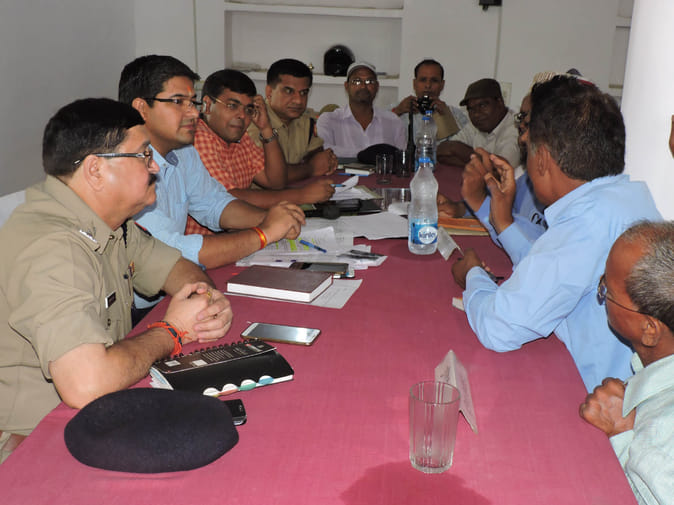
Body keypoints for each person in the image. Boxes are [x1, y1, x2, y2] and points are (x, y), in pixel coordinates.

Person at [0, 98, 233, 462]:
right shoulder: (53, 248)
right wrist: (173, 331)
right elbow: (86, 383)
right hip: (32, 443)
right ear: (95, 170)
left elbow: (175, 268)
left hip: (96, 416)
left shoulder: (110, 223)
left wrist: (202, 302)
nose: (154, 166)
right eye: (143, 155)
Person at [451, 75, 661, 392]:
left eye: (528, 149)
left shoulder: (587, 222)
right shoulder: (625, 196)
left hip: (600, 398)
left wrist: (473, 276)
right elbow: (550, 266)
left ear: (543, 160)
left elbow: (499, 327)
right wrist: (505, 226)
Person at [118, 55, 305, 311]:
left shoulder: (183, 151)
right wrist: (264, 233)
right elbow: (172, 253)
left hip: (176, 291)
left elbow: (214, 204)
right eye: (178, 102)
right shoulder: (124, 167)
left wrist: (270, 218)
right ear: (141, 108)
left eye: (192, 102)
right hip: (135, 310)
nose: (194, 112)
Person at [580, 221, 674, 505]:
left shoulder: (660, 433)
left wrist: (620, 433)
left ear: (649, 330)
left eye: (607, 291)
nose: (602, 291)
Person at [187, 69, 334, 234]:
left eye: (248, 109)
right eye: (232, 106)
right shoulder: (197, 136)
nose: (242, 116)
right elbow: (229, 199)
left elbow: (275, 182)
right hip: (202, 242)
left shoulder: (240, 138)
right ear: (207, 105)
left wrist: (266, 128)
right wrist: (301, 195)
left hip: (234, 234)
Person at [247, 58, 338, 178]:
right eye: (289, 91)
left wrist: (324, 161)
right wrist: (310, 168)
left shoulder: (305, 119)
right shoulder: (253, 121)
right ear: (269, 92)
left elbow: (317, 155)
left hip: (296, 187)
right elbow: (272, 175)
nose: (298, 100)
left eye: (303, 93)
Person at [316, 61, 406, 158]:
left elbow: (402, 157)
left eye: (369, 81)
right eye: (357, 81)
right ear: (346, 86)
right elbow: (324, 150)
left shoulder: (393, 121)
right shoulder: (329, 120)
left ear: (377, 87)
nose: (363, 86)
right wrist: (364, 155)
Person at [437, 78, 520, 168]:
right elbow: (442, 151)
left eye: (482, 105)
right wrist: (481, 165)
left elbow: (503, 167)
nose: (476, 114)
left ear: (500, 103)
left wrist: (459, 150)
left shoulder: (516, 128)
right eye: (471, 109)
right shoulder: (476, 125)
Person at [392, 59, 468, 143]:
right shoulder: (398, 110)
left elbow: (465, 144)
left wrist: (447, 118)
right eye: (423, 80)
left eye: (434, 80)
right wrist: (397, 112)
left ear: (442, 85)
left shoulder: (455, 114)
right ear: (414, 83)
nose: (428, 85)